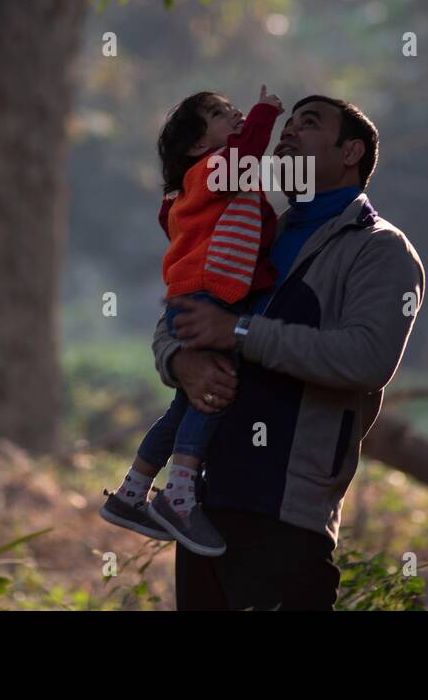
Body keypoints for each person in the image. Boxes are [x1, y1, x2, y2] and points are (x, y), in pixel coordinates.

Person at [152, 95, 425, 609]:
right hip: (200, 508)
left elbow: (367, 358)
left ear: (351, 153)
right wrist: (180, 361)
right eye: (289, 121)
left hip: (288, 512)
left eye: (310, 122)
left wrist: (238, 333)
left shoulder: (380, 249)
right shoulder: (254, 227)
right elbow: (180, 312)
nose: (288, 132)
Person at [101, 86, 284, 556]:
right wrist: (266, 113)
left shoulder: (205, 187)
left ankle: (131, 492)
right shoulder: (213, 172)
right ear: (199, 146)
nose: (236, 114)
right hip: (208, 298)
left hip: (197, 294)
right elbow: (245, 158)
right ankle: (180, 495)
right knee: (213, 393)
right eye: (222, 114)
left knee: (184, 405)